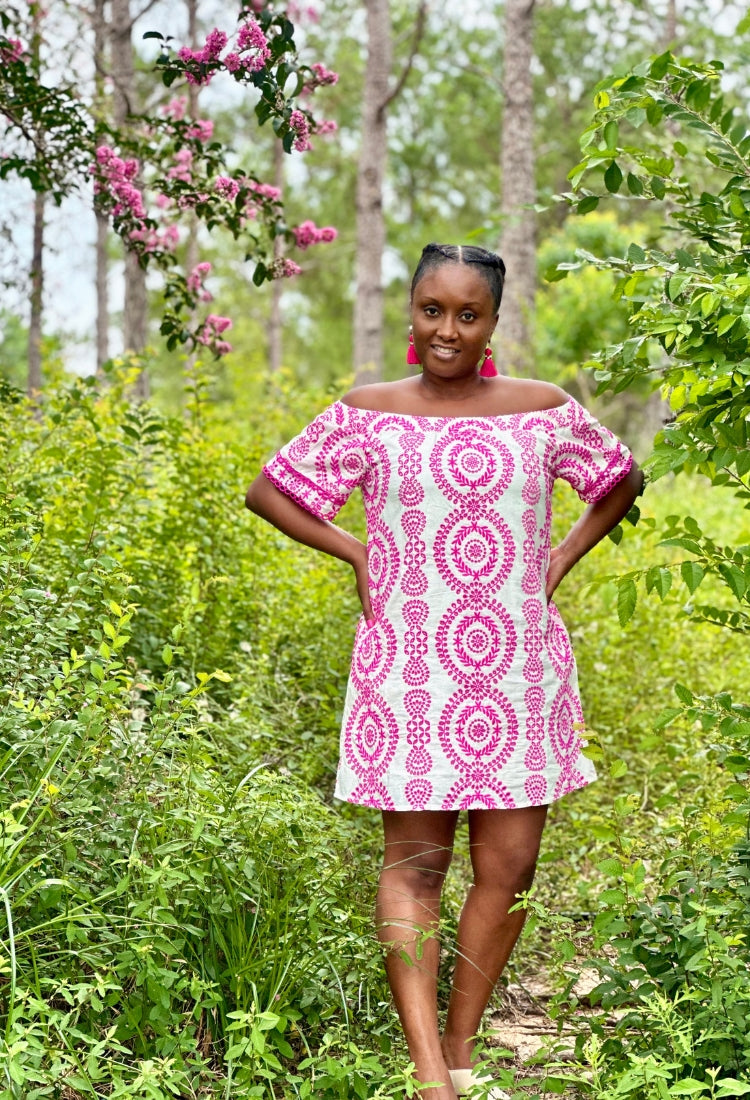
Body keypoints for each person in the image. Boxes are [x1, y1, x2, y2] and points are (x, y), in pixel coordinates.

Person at [245, 242, 643, 1100]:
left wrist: (560, 560)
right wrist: (355, 550)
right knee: (417, 866)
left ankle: (462, 1049)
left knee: (510, 869)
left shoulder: (541, 411)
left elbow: (619, 479)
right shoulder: (367, 413)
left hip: (518, 671)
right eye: (433, 310)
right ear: (411, 312)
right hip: (410, 672)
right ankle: (430, 1075)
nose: (448, 329)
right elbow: (271, 489)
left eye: (469, 313)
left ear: (494, 321)